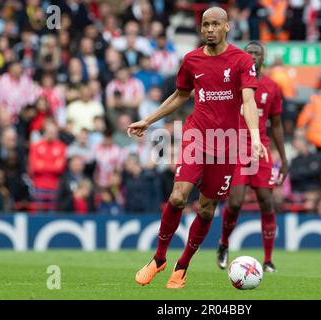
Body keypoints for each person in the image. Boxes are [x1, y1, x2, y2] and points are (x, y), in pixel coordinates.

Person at [128, 7, 264, 289]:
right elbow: (180, 95)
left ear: (227, 27)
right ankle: (158, 259)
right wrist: (148, 120)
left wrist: (255, 137)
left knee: (205, 209)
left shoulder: (241, 60)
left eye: (216, 24)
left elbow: (248, 101)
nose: (210, 29)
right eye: (205, 25)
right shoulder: (191, 60)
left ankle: (182, 265)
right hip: (196, 136)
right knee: (178, 197)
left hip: (227, 143)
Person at [216, 41, 288, 273]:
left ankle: (268, 260)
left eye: (257, 53)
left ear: (263, 59)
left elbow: (276, 124)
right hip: (235, 148)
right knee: (235, 202)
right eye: (249, 53)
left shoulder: (272, 87)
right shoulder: (231, 82)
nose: (254, 56)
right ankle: (224, 243)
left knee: (267, 201)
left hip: (260, 149)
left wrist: (284, 159)